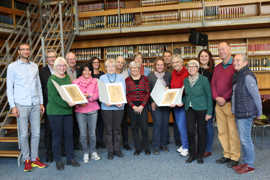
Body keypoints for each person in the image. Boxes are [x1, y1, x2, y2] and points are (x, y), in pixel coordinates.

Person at [7, 43, 47, 172]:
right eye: (23, 49)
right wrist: (13, 106)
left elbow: (39, 86)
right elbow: (9, 88)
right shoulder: (12, 67)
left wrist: (41, 102)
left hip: (35, 104)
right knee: (24, 134)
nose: (25, 51)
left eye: (27, 49)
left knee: (36, 133)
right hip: (21, 104)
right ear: (18, 52)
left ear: (30, 51)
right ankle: (27, 159)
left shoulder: (34, 66)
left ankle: (35, 159)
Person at [47, 57, 80, 170]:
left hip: (67, 112)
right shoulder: (52, 79)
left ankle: (70, 158)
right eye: (59, 66)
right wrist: (69, 104)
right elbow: (54, 98)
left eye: (64, 65)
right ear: (55, 67)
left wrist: (77, 98)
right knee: (57, 136)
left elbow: (70, 92)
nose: (62, 67)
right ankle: (58, 160)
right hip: (55, 112)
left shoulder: (67, 77)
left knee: (69, 135)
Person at [211, 42, 241, 168]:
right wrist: (216, 97)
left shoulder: (235, 66)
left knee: (233, 131)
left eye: (223, 49)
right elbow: (213, 84)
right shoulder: (217, 68)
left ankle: (235, 156)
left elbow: (236, 86)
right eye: (219, 49)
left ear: (229, 49)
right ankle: (226, 154)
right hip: (218, 104)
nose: (221, 51)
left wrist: (225, 97)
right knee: (222, 131)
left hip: (230, 104)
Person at [231, 54, 262, 174]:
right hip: (239, 112)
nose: (235, 63)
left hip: (247, 113)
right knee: (243, 139)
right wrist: (233, 110)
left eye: (238, 60)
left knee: (245, 139)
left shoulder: (248, 76)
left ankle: (249, 165)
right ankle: (245, 162)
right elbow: (235, 95)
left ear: (245, 62)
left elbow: (256, 96)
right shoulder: (238, 75)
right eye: (234, 61)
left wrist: (259, 112)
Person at [184, 60, 213, 164]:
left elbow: (209, 96)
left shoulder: (204, 80)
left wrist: (209, 112)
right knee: (190, 131)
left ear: (197, 68)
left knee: (201, 132)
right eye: (189, 67)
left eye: (193, 66)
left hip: (202, 108)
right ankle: (192, 154)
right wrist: (181, 102)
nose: (191, 68)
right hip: (189, 109)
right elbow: (185, 95)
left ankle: (200, 155)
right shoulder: (185, 80)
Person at [73, 64, 101, 163]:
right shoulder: (75, 82)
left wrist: (89, 96)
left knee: (92, 134)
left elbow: (97, 95)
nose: (87, 72)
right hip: (80, 111)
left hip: (93, 110)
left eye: (89, 70)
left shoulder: (95, 81)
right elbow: (74, 95)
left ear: (91, 72)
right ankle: (85, 152)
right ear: (81, 71)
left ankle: (93, 151)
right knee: (83, 134)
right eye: (84, 70)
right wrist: (82, 98)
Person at [100, 58, 126, 160]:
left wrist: (121, 101)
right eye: (108, 66)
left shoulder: (120, 77)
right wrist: (105, 101)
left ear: (115, 67)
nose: (110, 68)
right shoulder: (102, 78)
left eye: (112, 66)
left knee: (117, 129)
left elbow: (123, 91)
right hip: (106, 107)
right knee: (108, 130)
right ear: (106, 68)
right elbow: (101, 92)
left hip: (119, 107)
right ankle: (110, 151)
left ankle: (117, 149)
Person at [126, 61, 151, 156]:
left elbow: (147, 93)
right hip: (132, 106)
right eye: (132, 68)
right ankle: (138, 148)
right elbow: (126, 95)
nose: (134, 70)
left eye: (136, 68)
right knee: (134, 127)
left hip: (142, 106)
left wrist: (142, 105)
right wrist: (133, 106)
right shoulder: (127, 80)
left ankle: (147, 147)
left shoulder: (145, 79)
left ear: (139, 69)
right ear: (130, 69)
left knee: (144, 127)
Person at [148, 57, 171, 154]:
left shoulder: (168, 74)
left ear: (164, 66)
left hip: (166, 104)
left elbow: (171, 87)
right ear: (155, 66)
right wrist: (152, 102)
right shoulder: (151, 76)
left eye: (161, 64)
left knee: (165, 124)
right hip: (155, 104)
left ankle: (164, 144)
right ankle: (156, 146)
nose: (160, 66)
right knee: (157, 124)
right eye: (158, 65)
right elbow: (148, 91)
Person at [39, 49, 57, 163]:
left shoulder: (61, 69)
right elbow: (40, 88)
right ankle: (49, 154)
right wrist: (41, 104)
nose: (52, 59)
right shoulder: (41, 71)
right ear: (47, 59)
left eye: (53, 56)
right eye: (49, 57)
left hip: (60, 105)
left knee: (58, 130)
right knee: (49, 130)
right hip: (48, 105)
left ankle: (59, 151)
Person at [197, 49, 215, 158]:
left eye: (206, 56)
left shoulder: (213, 71)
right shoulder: (196, 70)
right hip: (197, 103)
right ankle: (201, 146)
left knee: (208, 126)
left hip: (209, 102)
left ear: (209, 58)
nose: (203, 58)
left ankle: (208, 149)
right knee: (199, 126)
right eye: (201, 56)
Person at [170, 54, 189, 157]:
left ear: (182, 62)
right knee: (179, 126)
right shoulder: (173, 73)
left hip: (183, 104)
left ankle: (186, 147)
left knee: (182, 126)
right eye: (173, 62)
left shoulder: (187, 73)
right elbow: (174, 88)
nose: (175, 64)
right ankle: (184, 144)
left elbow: (188, 90)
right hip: (175, 104)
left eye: (177, 62)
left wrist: (182, 101)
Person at [163, 50, 181, 147]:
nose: (167, 58)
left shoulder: (175, 69)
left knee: (176, 120)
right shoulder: (161, 66)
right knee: (165, 120)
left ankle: (178, 140)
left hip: (174, 98)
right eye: (165, 56)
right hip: (164, 99)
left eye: (168, 56)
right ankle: (165, 139)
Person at [116, 56, 131, 150]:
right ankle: (116, 143)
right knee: (115, 124)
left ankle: (125, 142)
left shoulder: (126, 74)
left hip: (124, 102)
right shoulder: (111, 72)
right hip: (113, 103)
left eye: (122, 62)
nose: (120, 64)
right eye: (118, 62)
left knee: (124, 123)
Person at [66, 52, 81, 150]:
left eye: (73, 59)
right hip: (67, 101)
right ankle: (69, 145)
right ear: (66, 60)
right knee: (68, 125)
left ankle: (76, 144)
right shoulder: (63, 71)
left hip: (78, 101)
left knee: (77, 124)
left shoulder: (79, 70)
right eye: (70, 59)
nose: (72, 61)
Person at [90, 57, 105, 149]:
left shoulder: (102, 75)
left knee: (101, 122)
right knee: (93, 123)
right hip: (92, 101)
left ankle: (100, 140)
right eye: (94, 62)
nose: (96, 63)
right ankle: (94, 141)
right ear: (91, 63)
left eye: (97, 62)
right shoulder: (89, 74)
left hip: (101, 100)